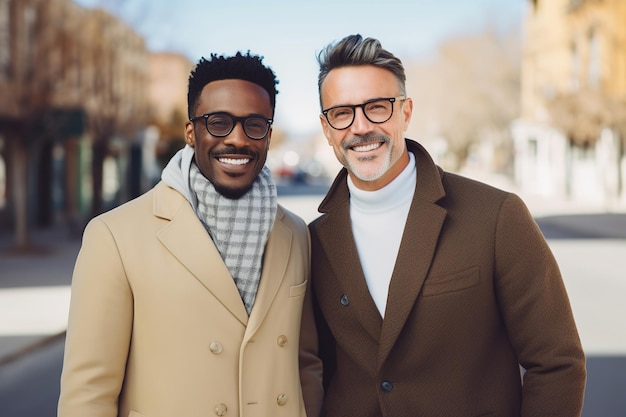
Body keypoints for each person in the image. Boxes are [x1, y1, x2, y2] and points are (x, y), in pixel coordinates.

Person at [303, 34, 586, 416]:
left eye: (377, 107)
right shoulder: (314, 240)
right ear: (326, 127)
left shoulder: (496, 215)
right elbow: (315, 369)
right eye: (342, 113)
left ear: (405, 112)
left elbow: (557, 364)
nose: (360, 127)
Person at [58, 51, 322, 417]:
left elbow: (305, 363)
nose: (238, 139)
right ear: (190, 132)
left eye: (254, 124)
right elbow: (88, 393)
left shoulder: (295, 233)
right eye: (219, 122)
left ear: (268, 135)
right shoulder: (114, 236)